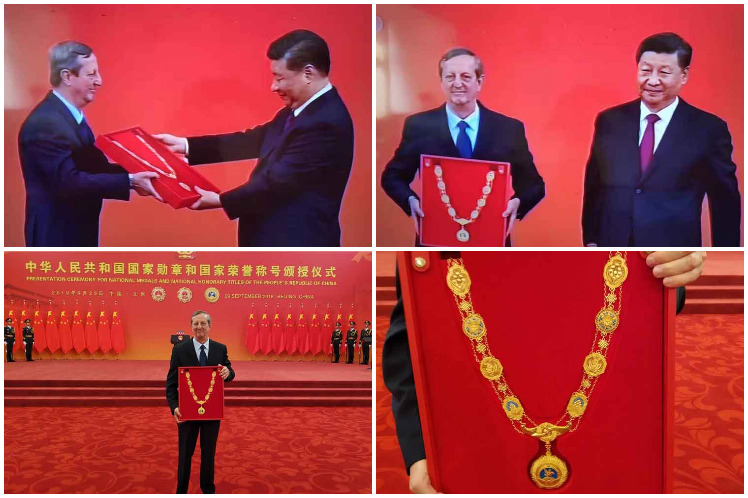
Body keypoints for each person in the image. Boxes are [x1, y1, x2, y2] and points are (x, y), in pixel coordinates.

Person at [382, 251, 707, 493]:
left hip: (611, 425)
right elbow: (413, 335)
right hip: (475, 429)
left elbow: (655, 293)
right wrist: (419, 454)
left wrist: (674, 266)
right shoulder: (439, 257)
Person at [155, 29, 354, 247]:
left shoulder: (325, 122)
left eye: (280, 78)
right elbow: (252, 141)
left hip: (297, 246)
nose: (273, 87)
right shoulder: (300, 110)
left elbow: (277, 183)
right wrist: (185, 145)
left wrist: (220, 200)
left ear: (308, 73)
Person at [582, 33, 741, 247]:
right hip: (613, 245)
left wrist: (725, 254)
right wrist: (591, 240)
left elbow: (724, 200)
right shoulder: (609, 120)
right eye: (645, 70)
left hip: (673, 254)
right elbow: (594, 185)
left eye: (664, 72)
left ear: (683, 76)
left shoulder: (708, 129)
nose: (652, 81)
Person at [381, 48, 545, 246]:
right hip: (436, 240)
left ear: (480, 82)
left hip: (491, 241)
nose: (457, 83)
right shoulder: (419, 126)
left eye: (466, 76)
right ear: (441, 82)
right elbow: (392, 176)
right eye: (450, 77)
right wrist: (410, 201)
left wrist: (517, 203)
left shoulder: (508, 129)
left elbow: (534, 185)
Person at [18, 40, 161, 247]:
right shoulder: (46, 122)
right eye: (91, 74)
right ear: (67, 77)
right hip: (56, 237)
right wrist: (131, 181)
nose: (99, 81)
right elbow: (69, 181)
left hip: (76, 232)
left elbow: (94, 169)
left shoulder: (69, 117)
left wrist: (150, 168)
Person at [166, 310, 235, 494]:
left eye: (203, 323)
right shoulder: (180, 350)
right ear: (191, 327)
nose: (199, 327)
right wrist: (175, 407)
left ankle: (208, 490)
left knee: (208, 454)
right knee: (185, 455)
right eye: (195, 324)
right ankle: (181, 491)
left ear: (210, 326)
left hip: (212, 412)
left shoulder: (220, 348)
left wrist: (228, 372)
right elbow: (171, 383)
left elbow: (229, 371)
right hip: (187, 412)